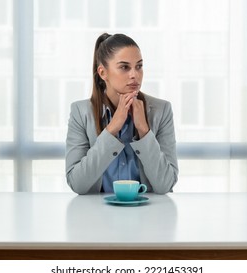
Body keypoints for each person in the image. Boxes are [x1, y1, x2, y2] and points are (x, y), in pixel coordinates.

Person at [65, 33, 178, 194]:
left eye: (139, 66)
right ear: (103, 73)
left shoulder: (162, 110)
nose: (134, 75)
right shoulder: (80, 112)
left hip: (149, 215)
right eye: (124, 67)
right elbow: (78, 184)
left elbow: (165, 185)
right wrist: (112, 129)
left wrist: (144, 131)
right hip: (97, 215)